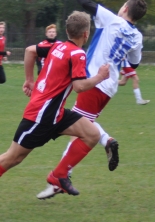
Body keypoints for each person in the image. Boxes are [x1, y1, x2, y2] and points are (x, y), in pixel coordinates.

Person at [36, 0, 147, 199]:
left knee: (78, 131)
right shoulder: (137, 36)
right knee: (83, 127)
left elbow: (87, 3)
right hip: (108, 86)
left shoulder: (112, 20)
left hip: (93, 81)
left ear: (125, 8)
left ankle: (59, 177)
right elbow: (133, 64)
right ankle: (65, 173)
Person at [0, 10, 110, 197]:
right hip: (40, 116)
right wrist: (100, 77)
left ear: (67, 31)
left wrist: (29, 80)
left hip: (55, 113)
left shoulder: (57, 46)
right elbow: (79, 87)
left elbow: (29, 51)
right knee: (12, 158)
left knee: (92, 134)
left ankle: (59, 175)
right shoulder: (77, 53)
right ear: (86, 34)